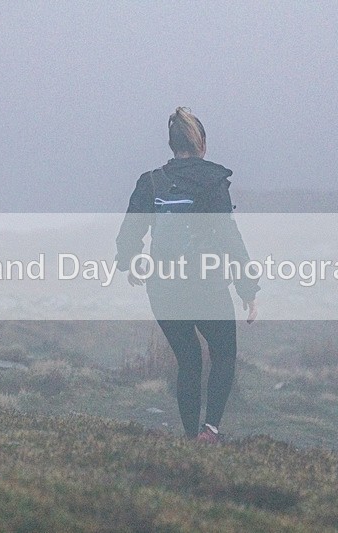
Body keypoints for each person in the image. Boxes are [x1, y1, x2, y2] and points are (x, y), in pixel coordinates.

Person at [116, 107, 258, 442]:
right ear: (202, 143)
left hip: (162, 288)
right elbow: (228, 236)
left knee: (188, 360)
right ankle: (210, 430)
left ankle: (190, 436)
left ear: (172, 144)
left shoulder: (151, 182)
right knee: (223, 352)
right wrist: (247, 288)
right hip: (204, 285)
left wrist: (131, 261)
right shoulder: (212, 182)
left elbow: (129, 233)